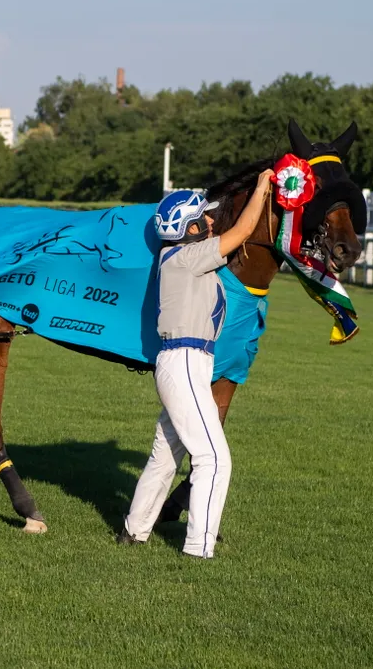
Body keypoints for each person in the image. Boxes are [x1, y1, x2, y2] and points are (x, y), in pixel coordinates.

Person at [117, 170, 275, 558]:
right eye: (201, 218)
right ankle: (197, 548)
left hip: (186, 363)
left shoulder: (181, 257)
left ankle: (134, 531)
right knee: (214, 459)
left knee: (166, 453)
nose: (209, 220)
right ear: (186, 228)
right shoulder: (187, 257)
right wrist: (261, 190)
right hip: (186, 361)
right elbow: (242, 232)